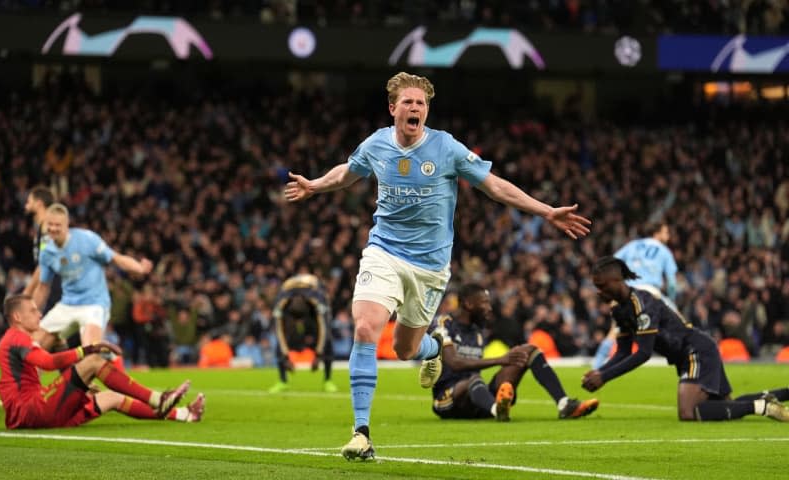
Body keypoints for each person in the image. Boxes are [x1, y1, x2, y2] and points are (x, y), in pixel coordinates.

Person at [284, 71, 592, 460]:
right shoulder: (377, 143)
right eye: (408, 102)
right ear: (393, 108)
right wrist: (315, 184)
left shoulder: (446, 148)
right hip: (384, 253)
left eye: (422, 104)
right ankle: (361, 432)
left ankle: (433, 350)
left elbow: (493, 185)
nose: (415, 108)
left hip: (429, 267)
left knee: (405, 349)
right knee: (364, 326)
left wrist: (547, 211)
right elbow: (349, 172)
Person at [582, 257, 789, 421]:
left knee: (688, 412)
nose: (599, 292)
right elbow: (623, 351)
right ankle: (783, 394)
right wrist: (600, 371)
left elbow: (644, 353)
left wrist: (604, 378)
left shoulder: (641, 303)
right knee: (725, 405)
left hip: (695, 350)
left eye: (602, 285)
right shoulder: (619, 310)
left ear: (617, 281)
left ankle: (762, 407)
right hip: (688, 355)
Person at [0, 294, 205, 429]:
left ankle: (184, 415)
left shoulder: (12, 341)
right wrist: (88, 349)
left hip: (33, 413)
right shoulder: (16, 338)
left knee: (111, 397)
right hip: (32, 411)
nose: (39, 314)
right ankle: (158, 399)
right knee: (93, 361)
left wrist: (79, 382)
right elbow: (48, 363)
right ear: (17, 317)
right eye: (32, 310)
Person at [431, 283, 599, 421]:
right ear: (468, 304)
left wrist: (508, 360)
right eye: (484, 303)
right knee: (474, 378)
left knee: (528, 350)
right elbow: (453, 362)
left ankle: (564, 404)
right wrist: (501, 360)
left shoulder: (478, 330)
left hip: (478, 399)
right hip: (447, 400)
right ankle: (498, 409)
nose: (489, 308)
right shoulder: (444, 323)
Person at [31, 203, 153, 352]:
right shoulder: (47, 252)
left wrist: (139, 267)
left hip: (94, 304)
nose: (53, 229)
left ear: (67, 224)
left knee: (90, 351)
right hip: (67, 304)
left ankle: (108, 360)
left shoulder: (86, 239)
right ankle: (73, 361)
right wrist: (31, 315)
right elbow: (43, 287)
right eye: (50, 224)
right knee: (34, 346)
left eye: (58, 225)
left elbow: (116, 258)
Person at [592, 221, 678, 368]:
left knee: (614, 332)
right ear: (657, 233)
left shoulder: (633, 245)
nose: (668, 236)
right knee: (680, 325)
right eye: (666, 232)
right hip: (650, 292)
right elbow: (671, 283)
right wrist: (671, 299)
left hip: (626, 293)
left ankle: (596, 367)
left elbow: (612, 263)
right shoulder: (664, 251)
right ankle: (690, 364)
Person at [269, 273, 336, 393]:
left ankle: (328, 380)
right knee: (282, 338)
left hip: (313, 291)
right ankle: (282, 381)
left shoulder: (318, 300)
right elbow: (279, 332)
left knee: (328, 339)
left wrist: (318, 355)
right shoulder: (280, 303)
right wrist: (285, 357)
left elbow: (323, 328)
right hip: (291, 290)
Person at [21, 185, 61, 313]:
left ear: (39, 204)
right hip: (52, 288)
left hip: (56, 289)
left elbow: (44, 263)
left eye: (29, 202)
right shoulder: (43, 227)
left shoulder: (47, 227)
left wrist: (27, 292)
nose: (26, 206)